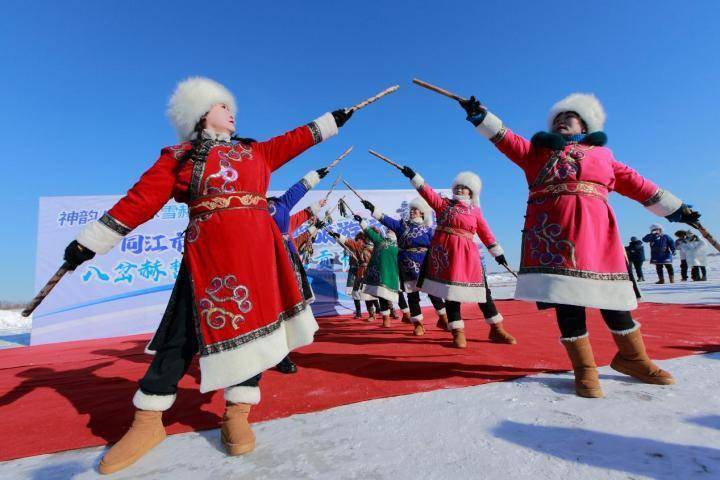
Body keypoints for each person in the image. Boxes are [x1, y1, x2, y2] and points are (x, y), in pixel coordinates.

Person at [62, 77, 354, 473]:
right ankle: (147, 422)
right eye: (222, 105)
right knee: (182, 334)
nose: (231, 111)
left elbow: (296, 138)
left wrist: (331, 121)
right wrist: (90, 242)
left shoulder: (256, 152)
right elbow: (140, 200)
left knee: (261, 331)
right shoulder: (180, 158)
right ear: (201, 115)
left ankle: (237, 412)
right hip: (207, 257)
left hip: (258, 256)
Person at [459, 91, 700, 397]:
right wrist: (481, 115)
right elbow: (506, 137)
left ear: (584, 126)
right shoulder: (536, 152)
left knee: (614, 299)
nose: (561, 121)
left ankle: (634, 358)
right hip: (554, 238)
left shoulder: (603, 156)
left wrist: (678, 209)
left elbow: (639, 184)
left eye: (568, 117)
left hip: (597, 237)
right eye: (556, 118)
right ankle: (584, 369)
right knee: (567, 301)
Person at [395, 168, 509, 348]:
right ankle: (457, 332)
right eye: (457, 187)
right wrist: (415, 177)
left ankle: (496, 328)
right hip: (447, 255)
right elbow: (428, 193)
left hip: (468, 255)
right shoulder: (444, 205)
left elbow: (485, 232)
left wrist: (497, 252)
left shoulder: (475, 211)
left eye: (464, 188)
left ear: (471, 192)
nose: (460, 190)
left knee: (482, 292)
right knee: (451, 293)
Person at [267, 171, 329, 374]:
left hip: (287, 265)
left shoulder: (278, 205)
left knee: (287, 308)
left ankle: (283, 354)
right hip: (260, 264)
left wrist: (315, 176)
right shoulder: (245, 208)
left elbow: (296, 199)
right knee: (268, 310)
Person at [360, 197, 448, 335]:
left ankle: (443, 318)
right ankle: (418, 324)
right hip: (407, 265)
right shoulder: (402, 226)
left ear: (422, 213)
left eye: (415, 210)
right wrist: (372, 209)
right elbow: (386, 220)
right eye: (411, 209)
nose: (412, 212)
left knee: (433, 293)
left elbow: (438, 247)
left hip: (426, 263)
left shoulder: (429, 230)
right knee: (412, 296)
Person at [352, 219, 400, 328]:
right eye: (388, 229)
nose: (389, 230)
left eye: (392, 230)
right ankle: (385, 318)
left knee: (396, 296)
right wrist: (362, 222)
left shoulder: (400, 245)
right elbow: (368, 231)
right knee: (381, 295)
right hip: (378, 273)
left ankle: (404, 313)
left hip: (394, 274)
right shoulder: (380, 241)